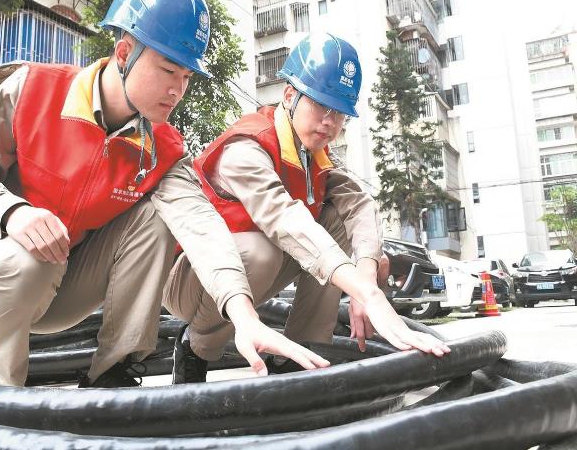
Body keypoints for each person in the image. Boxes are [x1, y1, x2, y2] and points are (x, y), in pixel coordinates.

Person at [0, 0, 328, 388]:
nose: (178, 89)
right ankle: (0, 396)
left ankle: (114, 374)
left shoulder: (165, 147)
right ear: (124, 53)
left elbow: (202, 227)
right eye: (167, 70)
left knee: (158, 215)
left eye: (186, 78)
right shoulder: (33, 88)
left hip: (62, 283)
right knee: (26, 257)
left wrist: (243, 313)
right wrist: (12, 214)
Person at [164, 32, 450, 384]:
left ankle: (303, 357)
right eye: (321, 106)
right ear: (289, 96)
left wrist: (365, 274)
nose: (330, 122)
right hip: (192, 276)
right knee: (263, 250)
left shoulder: (315, 157)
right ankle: (195, 347)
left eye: (340, 113)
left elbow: (359, 206)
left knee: (337, 220)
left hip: (246, 273)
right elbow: (285, 220)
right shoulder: (247, 148)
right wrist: (367, 293)